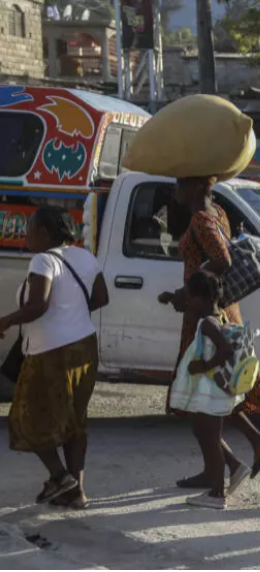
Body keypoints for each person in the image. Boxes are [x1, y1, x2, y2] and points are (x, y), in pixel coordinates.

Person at [159, 176, 260, 490]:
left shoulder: (201, 219)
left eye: (181, 184)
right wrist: (181, 294)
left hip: (206, 314)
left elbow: (222, 259)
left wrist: (187, 294)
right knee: (215, 393)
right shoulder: (219, 213)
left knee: (199, 396)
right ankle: (242, 452)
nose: (176, 190)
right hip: (220, 308)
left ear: (198, 187)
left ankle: (227, 467)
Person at [0, 206, 109, 509]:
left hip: (51, 354)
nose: (26, 234)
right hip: (85, 349)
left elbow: (38, 306)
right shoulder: (85, 256)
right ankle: (77, 493)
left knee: (25, 418)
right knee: (75, 421)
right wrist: (72, 315)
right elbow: (101, 298)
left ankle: (60, 477)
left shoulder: (43, 260)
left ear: (45, 233)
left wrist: (6, 321)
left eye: (30, 228)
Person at [179, 271, 246, 509]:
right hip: (213, 391)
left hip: (211, 392)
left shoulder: (208, 323)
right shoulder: (219, 316)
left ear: (203, 298)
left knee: (212, 441)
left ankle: (217, 494)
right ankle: (226, 478)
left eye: (191, 297)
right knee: (208, 435)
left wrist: (203, 366)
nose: (188, 302)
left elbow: (225, 349)